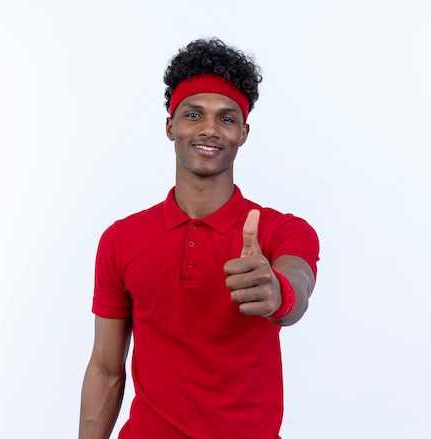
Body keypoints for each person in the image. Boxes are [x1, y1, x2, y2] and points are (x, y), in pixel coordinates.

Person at [79, 37, 320, 439]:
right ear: (171, 125)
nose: (210, 129)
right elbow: (105, 369)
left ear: (243, 132)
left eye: (226, 119)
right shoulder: (121, 239)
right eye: (194, 114)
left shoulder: (281, 230)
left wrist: (278, 293)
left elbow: (298, 284)